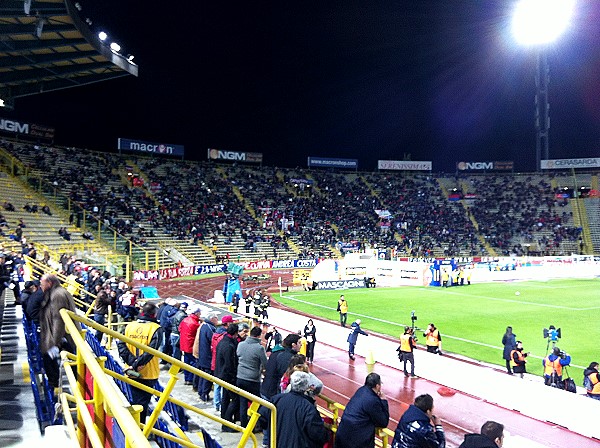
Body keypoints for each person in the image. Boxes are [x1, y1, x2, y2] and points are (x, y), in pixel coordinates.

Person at [117, 302, 163, 424]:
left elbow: (121, 344)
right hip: (148, 372)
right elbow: (151, 351)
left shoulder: (129, 326)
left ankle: (138, 424)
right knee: (142, 402)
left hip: (130, 370)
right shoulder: (156, 329)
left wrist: (132, 363)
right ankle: (140, 427)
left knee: (135, 399)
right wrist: (137, 364)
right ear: (154, 314)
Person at [38, 273, 79, 389]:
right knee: (71, 363)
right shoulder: (57, 292)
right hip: (62, 335)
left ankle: (55, 385)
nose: (41, 286)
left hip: (63, 336)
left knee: (70, 364)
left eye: (42, 283)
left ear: (50, 283)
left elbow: (58, 319)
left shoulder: (58, 295)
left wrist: (55, 341)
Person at [267, 371, 329, 448]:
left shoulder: (276, 399)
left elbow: (262, 417)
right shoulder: (308, 408)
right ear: (306, 387)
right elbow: (317, 433)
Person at [335, 372, 389, 448]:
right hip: (357, 441)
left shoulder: (360, 390)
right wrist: (383, 401)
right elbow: (383, 422)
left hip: (342, 435)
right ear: (377, 386)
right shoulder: (372, 400)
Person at [236, 326, 267, 428]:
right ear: (259, 336)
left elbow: (238, 356)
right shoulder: (259, 348)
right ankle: (257, 423)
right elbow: (265, 363)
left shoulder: (241, 344)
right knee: (258, 402)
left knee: (243, 402)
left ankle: (244, 424)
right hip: (253, 379)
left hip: (240, 377)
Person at [215, 323, 240, 430]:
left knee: (225, 398)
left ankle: (225, 420)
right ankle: (227, 421)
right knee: (235, 399)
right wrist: (233, 376)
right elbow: (230, 364)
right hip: (227, 376)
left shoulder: (223, 341)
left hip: (221, 374)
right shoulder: (229, 346)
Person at [196, 311, 218, 402]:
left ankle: (201, 391)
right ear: (212, 319)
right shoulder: (210, 328)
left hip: (202, 355)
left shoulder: (204, 326)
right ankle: (204, 393)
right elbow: (212, 341)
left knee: (203, 375)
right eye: (216, 319)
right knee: (207, 376)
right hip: (207, 356)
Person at [179, 304, 202, 386]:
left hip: (184, 344)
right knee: (193, 363)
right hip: (191, 346)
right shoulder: (196, 324)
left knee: (186, 362)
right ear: (196, 313)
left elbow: (180, 329)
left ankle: (186, 378)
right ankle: (190, 379)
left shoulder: (185, 320)